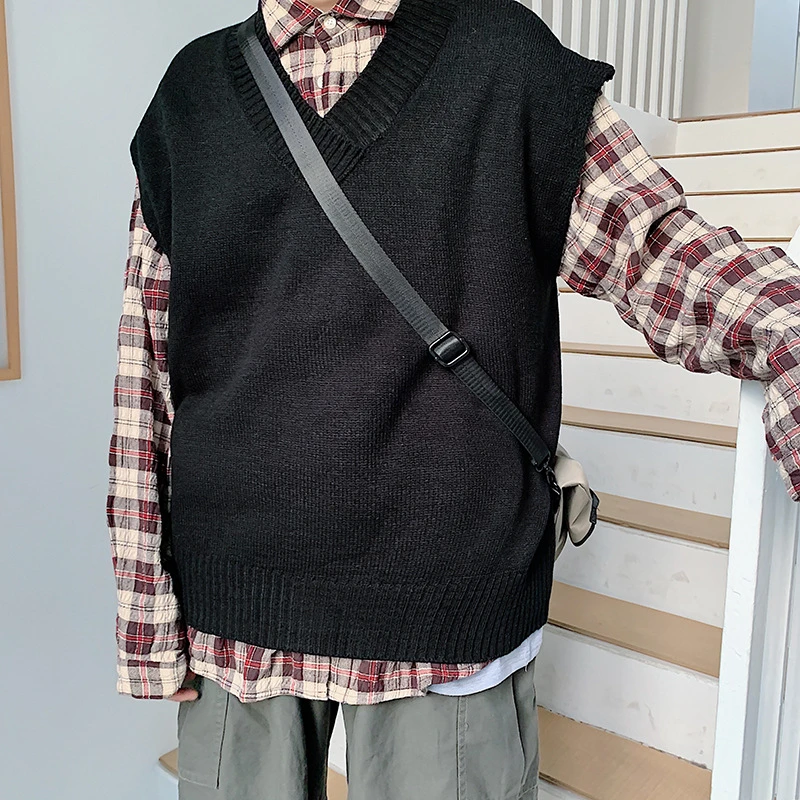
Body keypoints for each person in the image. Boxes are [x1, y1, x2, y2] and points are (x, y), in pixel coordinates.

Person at [106, 0, 800, 798]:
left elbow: (655, 248)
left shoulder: (505, 58)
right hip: (235, 611)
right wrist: (144, 614)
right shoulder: (192, 93)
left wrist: (783, 327)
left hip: (450, 612)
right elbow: (146, 373)